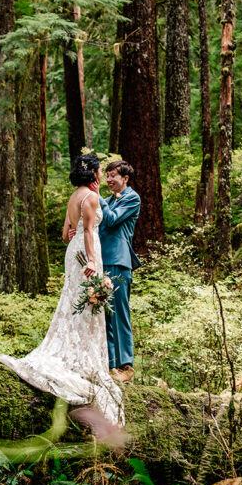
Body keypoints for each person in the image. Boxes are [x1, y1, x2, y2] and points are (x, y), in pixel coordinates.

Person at [0, 153, 125, 432]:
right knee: (88, 303)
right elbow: (88, 230)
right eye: (100, 170)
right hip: (87, 253)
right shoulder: (91, 197)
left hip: (71, 251)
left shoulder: (75, 196)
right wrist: (90, 260)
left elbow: (67, 234)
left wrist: (81, 244)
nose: (102, 174)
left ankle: (73, 352)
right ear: (94, 174)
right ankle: (82, 359)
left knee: (75, 301)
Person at [98, 161, 141, 382]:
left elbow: (112, 220)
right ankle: (110, 364)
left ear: (125, 178)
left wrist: (96, 197)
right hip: (100, 261)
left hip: (119, 260)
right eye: (107, 175)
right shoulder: (105, 201)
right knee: (105, 313)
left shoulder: (132, 198)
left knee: (119, 313)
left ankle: (126, 365)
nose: (108, 180)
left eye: (113, 175)